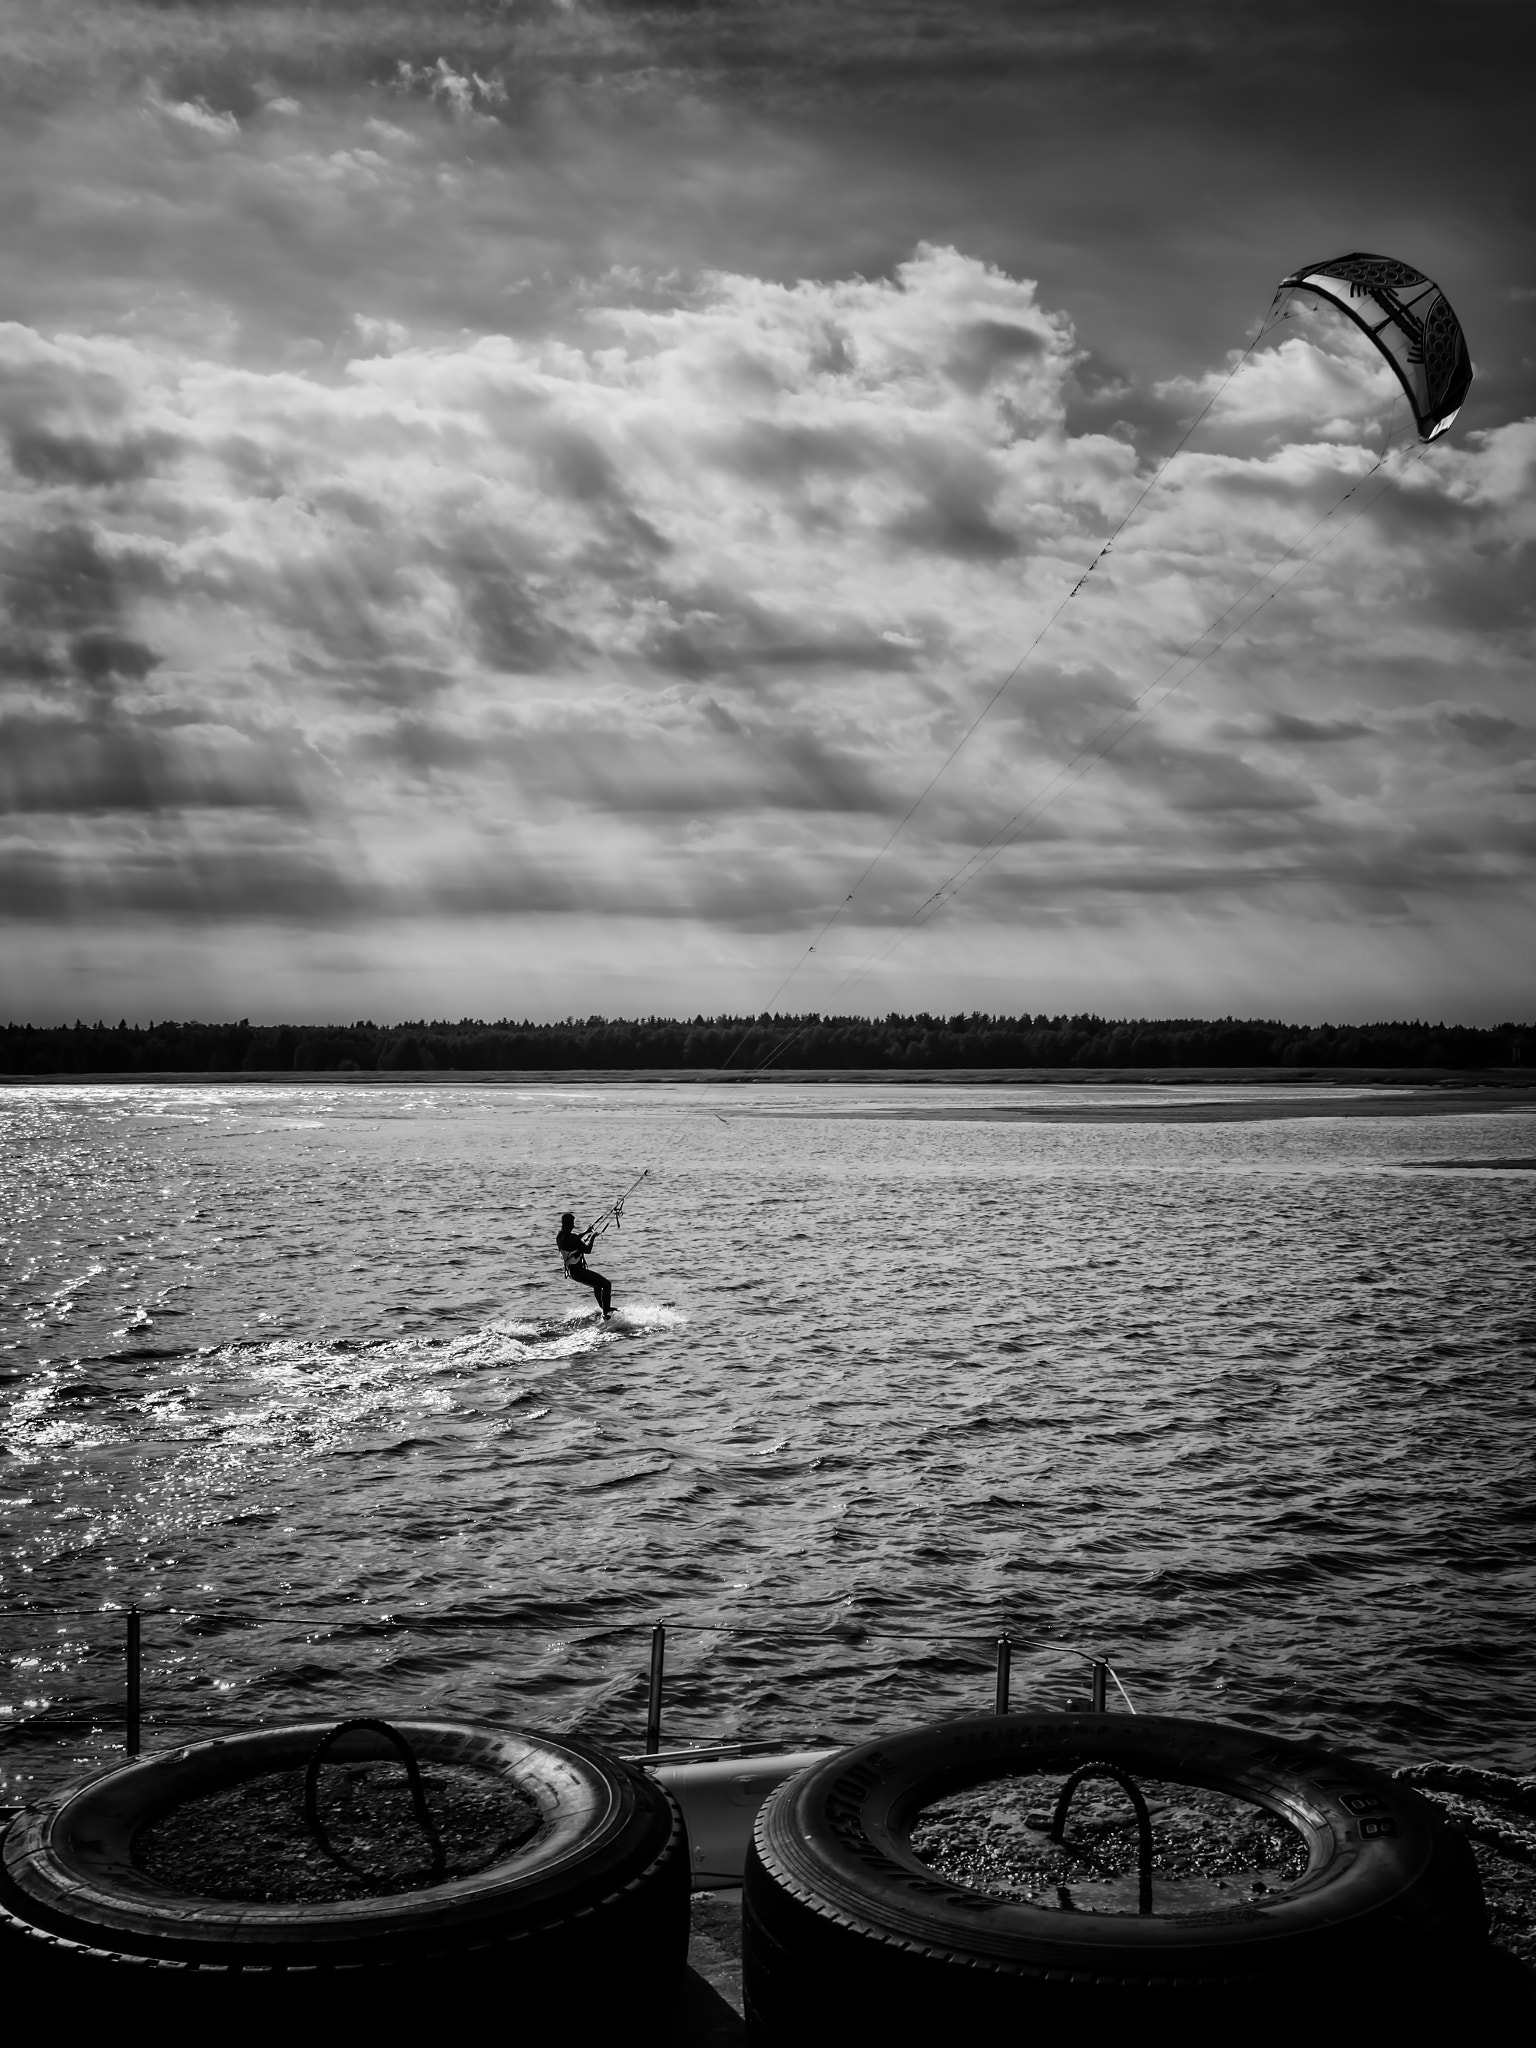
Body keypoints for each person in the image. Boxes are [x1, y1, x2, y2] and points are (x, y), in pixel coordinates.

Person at [556, 1210, 613, 1316]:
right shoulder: (572, 1239)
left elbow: (575, 1238)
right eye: (572, 1223)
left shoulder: (560, 1237)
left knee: (598, 1285)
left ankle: (604, 1308)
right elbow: (587, 1250)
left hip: (573, 1273)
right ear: (569, 1224)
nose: (573, 1226)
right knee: (606, 1284)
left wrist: (586, 1232)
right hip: (579, 1272)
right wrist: (592, 1237)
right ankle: (606, 1313)